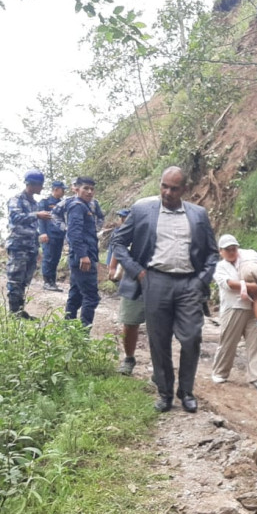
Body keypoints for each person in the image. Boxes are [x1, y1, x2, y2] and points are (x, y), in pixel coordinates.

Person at [109, 166, 219, 413]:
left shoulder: (198, 214)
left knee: (191, 337)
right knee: (159, 340)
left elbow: (212, 253)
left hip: (189, 283)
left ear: (185, 189)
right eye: (164, 186)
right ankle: (165, 393)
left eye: (174, 188)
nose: (167, 192)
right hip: (155, 280)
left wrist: (201, 280)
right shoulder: (142, 210)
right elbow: (118, 242)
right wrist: (138, 272)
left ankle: (186, 391)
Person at [211, 234, 257, 391]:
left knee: (256, 341)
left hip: (252, 308)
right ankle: (220, 372)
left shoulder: (246, 260)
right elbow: (229, 284)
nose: (231, 252)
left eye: (234, 249)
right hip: (233, 308)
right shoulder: (220, 267)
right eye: (228, 250)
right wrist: (248, 286)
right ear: (221, 251)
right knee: (228, 342)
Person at [5, 169, 51, 319]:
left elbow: (33, 227)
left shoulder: (35, 203)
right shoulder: (16, 199)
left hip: (31, 246)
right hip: (18, 246)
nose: (42, 188)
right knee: (15, 279)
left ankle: (19, 310)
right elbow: (15, 217)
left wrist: (38, 243)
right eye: (40, 185)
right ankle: (14, 313)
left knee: (25, 280)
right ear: (32, 184)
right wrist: (36, 215)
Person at [108, 208, 145, 376]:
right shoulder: (134, 225)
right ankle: (129, 358)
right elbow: (119, 245)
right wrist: (112, 267)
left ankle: (160, 366)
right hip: (134, 278)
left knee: (160, 325)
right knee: (130, 322)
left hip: (160, 279)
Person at [64, 176, 101, 328]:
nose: (89, 192)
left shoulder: (86, 206)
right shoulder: (77, 206)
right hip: (83, 258)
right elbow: (74, 233)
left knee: (76, 295)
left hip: (83, 256)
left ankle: (68, 329)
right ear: (77, 189)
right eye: (86, 188)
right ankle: (83, 333)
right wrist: (83, 255)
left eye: (92, 189)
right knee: (91, 297)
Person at [38, 180, 66, 291]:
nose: (64, 192)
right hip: (49, 234)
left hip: (59, 234)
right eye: (62, 189)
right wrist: (43, 233)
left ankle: (52, 282)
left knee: (56, 258)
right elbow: (41, 219)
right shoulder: (45, 202)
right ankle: (46, 282)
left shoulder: (62, 203)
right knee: (48, 258)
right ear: (56, 189)